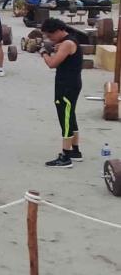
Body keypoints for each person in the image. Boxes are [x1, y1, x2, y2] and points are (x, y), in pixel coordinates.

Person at [39, 18, 83, 167]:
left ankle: (65, 156)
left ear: (58, 31)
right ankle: (75, 150)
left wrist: (44, 53)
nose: (49, 39)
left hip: (67, 86)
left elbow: (52, 64)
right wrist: (54, 47)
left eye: (50, 36)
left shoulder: (67, 44)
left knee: (65, 118)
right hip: (71, 83)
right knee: (70, 115)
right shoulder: (69, 40)